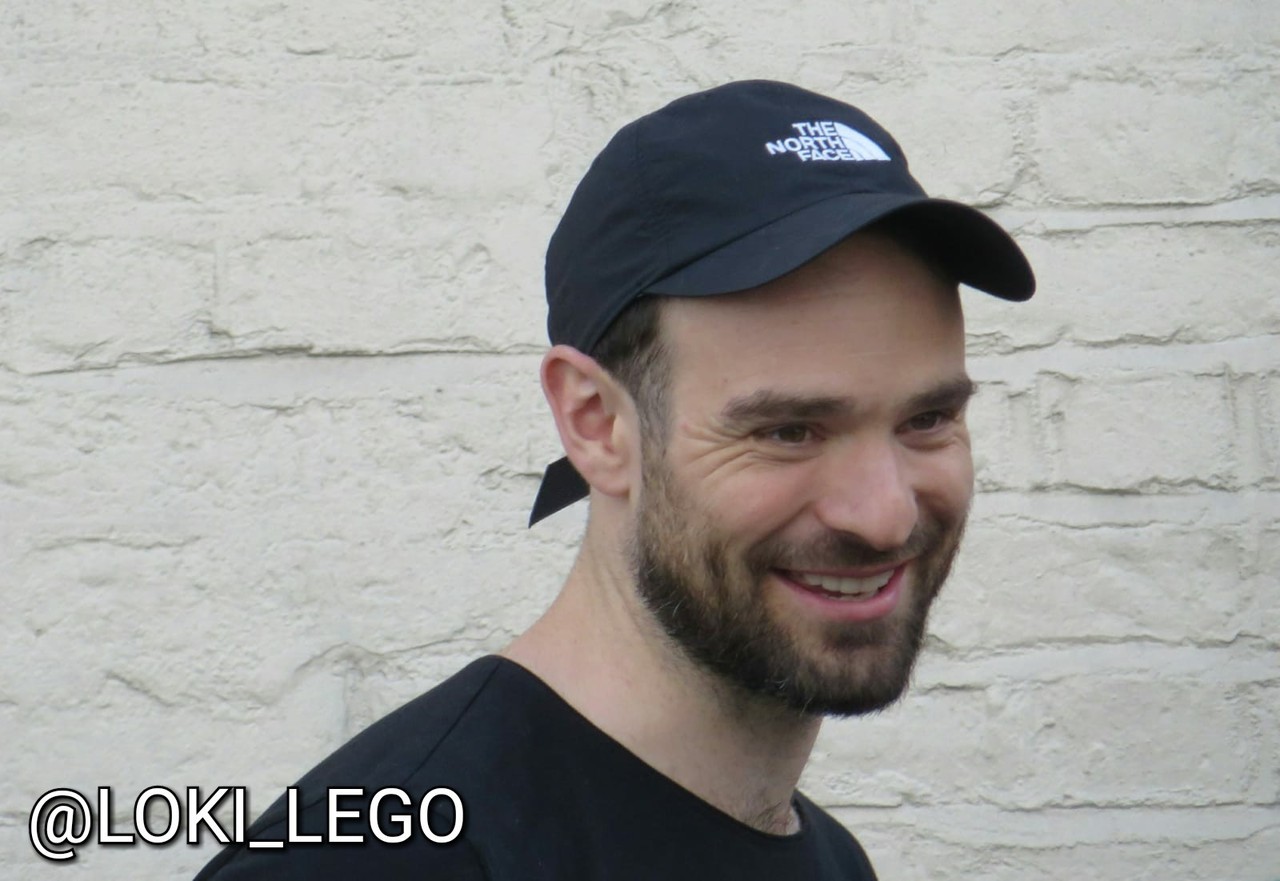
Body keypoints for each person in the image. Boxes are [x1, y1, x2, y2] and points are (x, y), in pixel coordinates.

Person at [193, 79, 1035, 880]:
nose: (885, 515)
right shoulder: (383, 862)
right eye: (788, 431)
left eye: (928, 419)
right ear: (596, 422)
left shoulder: (830, 860)